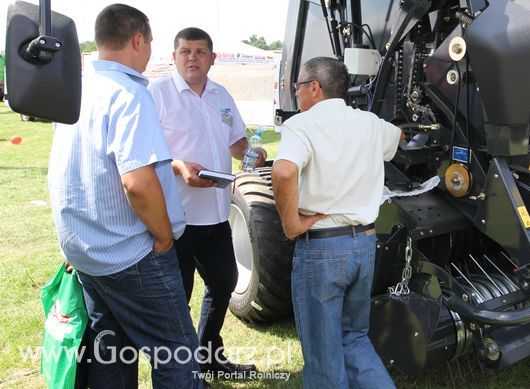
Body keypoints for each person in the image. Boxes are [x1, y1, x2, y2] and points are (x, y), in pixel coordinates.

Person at [48, 4, 202, 387]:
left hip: (88, 250)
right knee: (177, 351)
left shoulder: (78, 89)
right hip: (129, 252)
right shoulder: (129, 93)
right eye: (150, 42)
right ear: (138, 39)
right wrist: (164, 235)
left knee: (111, 351)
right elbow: (137, 182)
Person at [271, 57, 402, 388]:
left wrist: (290, 224)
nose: (297, 95)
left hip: (323, 250)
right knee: (353, 340)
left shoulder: (301, 126)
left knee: (322, 356)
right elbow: (399, 136)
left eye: (299, 87)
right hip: (364, 245)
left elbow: (284, 171)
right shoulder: (370, 123)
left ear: (314, 88)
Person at [149, 27, 265, 376]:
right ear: (174, 57)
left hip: (216, 212)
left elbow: (237, 142)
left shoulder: (220, 94)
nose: (193, 58)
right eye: (185, 51)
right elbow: (145, 153)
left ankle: (209, 357)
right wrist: (179, 166)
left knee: (224, 281)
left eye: (201, 52)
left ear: (213, 58)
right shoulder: (159, 95)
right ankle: (179, 370)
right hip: (176, 217)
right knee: (178, 296)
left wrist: (252, 153)